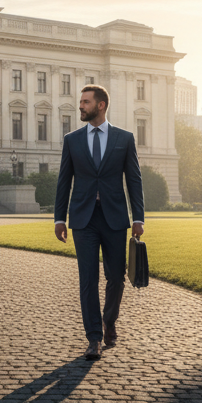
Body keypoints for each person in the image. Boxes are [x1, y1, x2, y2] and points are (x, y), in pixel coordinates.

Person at [54, 84, 145, 359]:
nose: (80, 106)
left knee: (116, 277)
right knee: (87, 279)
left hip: (115, 218)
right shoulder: (72, 140)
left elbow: (134, 180)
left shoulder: (124, 138)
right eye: (80, 101)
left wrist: (138, 217)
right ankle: (93, 337)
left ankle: (109, 320)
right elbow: (63, 181)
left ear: (101, 105)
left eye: (85, 102)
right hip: (83, 219)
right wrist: (59, 218)